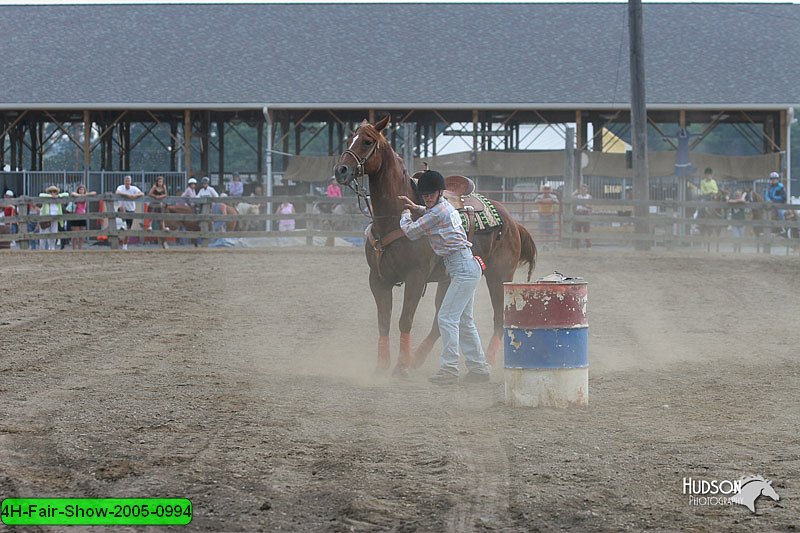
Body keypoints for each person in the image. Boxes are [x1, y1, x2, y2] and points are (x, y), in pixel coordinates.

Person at [397, 170, 491, 385]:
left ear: (439, 193)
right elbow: (430, 211)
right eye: (425, 195)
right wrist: (416, 207)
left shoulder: (437, 212)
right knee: (464, 321)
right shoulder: (443, 206)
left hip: (461, 268)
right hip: (465, 266)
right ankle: (479, 368)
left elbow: (411, 232)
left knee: (447, 318)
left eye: (431, 194)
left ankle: (449, 369)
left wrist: (405, 214)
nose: (428, 198)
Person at [115, 175, 144, 250]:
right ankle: (124, 222)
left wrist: (135, 196)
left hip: (131, 209)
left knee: (128, 229)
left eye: (129, 180)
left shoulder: (134, 188)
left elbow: (142, 193)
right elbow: (117, 192)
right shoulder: (121, 187)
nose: (127, 182)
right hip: (123, 209)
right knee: (122, 208)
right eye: (126, 180)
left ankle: (125, 245)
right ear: (124, 181)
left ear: (131, 181)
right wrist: (127, 195)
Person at [38, 185, 69, 250]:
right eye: (51, 191)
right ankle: (42, 248)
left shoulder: (58, 198)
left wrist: (58, 196)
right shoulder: (45, 197)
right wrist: (51, 196)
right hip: (45, 218)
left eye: (54, 191)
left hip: (55, 218)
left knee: (54, 233)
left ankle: (52, 248)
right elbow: (40, 195)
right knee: (43, 234)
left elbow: (66, 194)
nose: (52, 192)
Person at [69, 184, 97, 250]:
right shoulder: (76, 195)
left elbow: (94, 193)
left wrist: (85, 195)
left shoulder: (85, 195)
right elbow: (72, 193)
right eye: (80, 189)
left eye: (83, 189)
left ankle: (80, 248)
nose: (81, 191)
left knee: (82, 233)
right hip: (75, 216)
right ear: (78, 190)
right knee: (75, 233)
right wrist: (80, 195)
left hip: (83, 216)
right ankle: (73, 248)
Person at [148, 175, 169, 248]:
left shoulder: (164, 187)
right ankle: (149, 225)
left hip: (160, 203)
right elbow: (150, 193)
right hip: (153, 203)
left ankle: (163, 227)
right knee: (151, 214)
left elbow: (166, 194)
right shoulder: (154, 187)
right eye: (159, 181)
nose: (160, 183)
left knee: (161, 216)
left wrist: (161, 197)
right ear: (157, 182)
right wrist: (155, 197)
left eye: (161, 181)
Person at [571, 183, 593, 249]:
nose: (583, 190)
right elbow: (570, 198)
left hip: (585, 213)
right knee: (578, 230)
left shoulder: (589, 197)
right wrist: (574, 192)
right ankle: (577, 245)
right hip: (578, 213)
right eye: (581, 189)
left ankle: (588, 245)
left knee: (586, 230)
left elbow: (591, 206)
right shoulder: (578, 196)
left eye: (584, 189)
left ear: (586, 190)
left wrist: (584, 205)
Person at [727, 188, 747, 252]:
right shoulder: (732, 202)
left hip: (742, 222)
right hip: (734, 222)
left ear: (740, 196)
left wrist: (739, 200)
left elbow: (743, 201)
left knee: (741, 237)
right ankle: (735, 250)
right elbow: (728, 201)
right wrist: (736, 201)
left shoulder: (742, 202)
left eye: (739, 195)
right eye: (736, 195)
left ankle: (739, 250)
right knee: (736, 236)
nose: (737, 196)